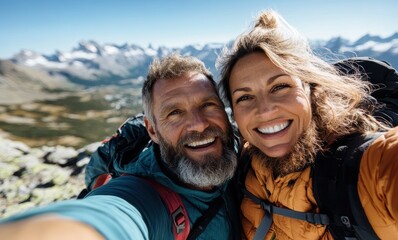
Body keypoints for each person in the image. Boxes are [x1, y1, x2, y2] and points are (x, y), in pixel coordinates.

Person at [217, 10, 398, 240]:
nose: (265, 110)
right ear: (234, 114)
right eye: (244, 97)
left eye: (280, 87)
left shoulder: (356, 168)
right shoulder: (240, 169)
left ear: (311, 89)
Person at [0, 54, 241, 240]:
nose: (198, 125)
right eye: (175, 112)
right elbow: (112, 214)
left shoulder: (243, 151)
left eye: (208, 105)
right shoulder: (143, 194)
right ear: (152, 131)